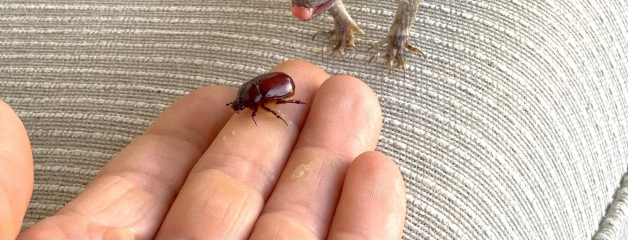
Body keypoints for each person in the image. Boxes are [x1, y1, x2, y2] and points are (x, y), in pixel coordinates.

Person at [1, 60, 406, 239]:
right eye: (243, 105)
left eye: (244, 106)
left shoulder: (258, 96)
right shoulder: (248, 98)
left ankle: (293, 109)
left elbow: (266, 91)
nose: (242, 108)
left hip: (282, 87)